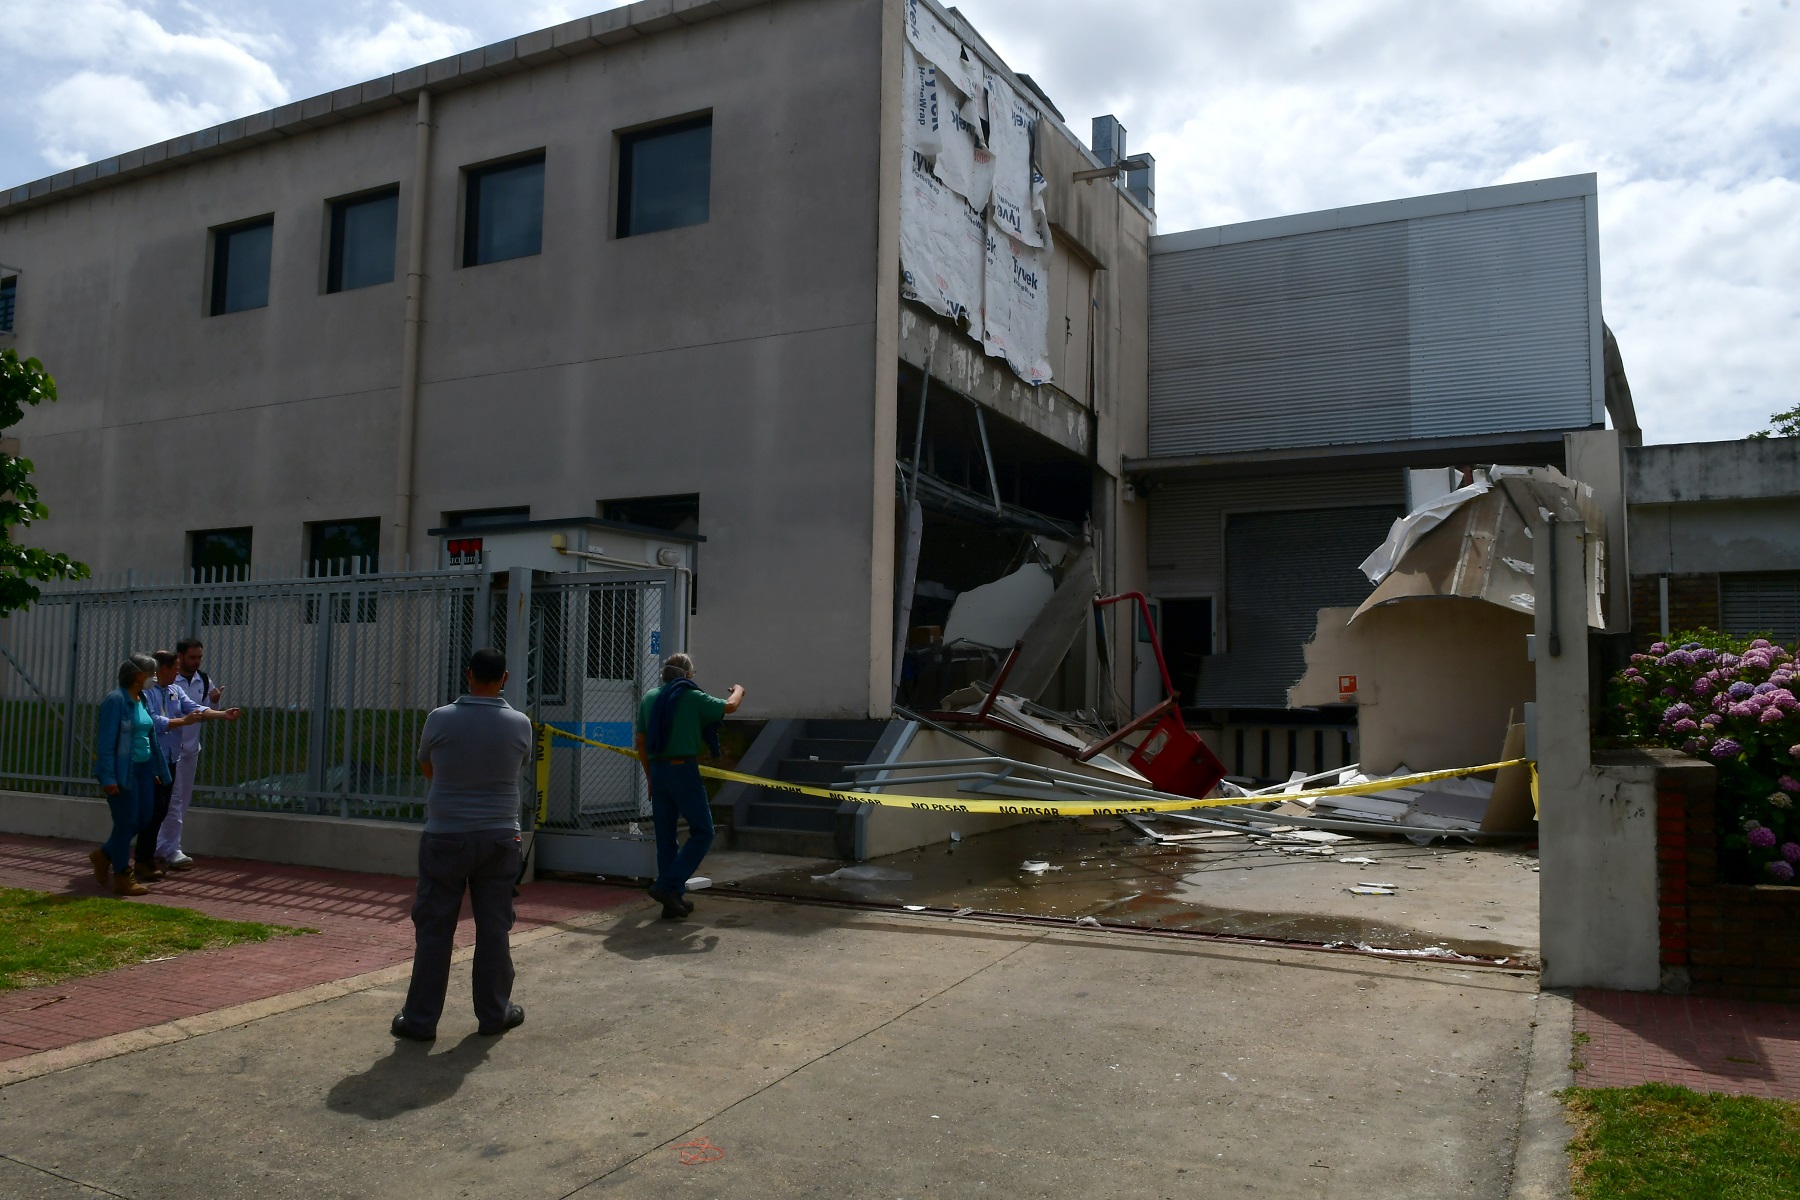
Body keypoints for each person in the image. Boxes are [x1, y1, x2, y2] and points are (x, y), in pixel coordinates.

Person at [392, 647, 535, 1042]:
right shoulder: (520, 724)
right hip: (501, 837)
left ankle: (420, 1021)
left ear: (468, 674)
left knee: (435, 929)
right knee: (494, 927)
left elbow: (427, 767)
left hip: (445, 836)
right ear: (505, 679)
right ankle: (494, 1012)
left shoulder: (440, 719)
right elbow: (515, 768)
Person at [634, 653, 744, 920]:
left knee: (666, 838)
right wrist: (739, 690)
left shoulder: (650, 698)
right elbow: (729, 707)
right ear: (686, 675)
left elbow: (640, 741)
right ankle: (667, 886)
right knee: (703, 831)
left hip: (658, 771)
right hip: (682, 769)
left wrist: (650, 777)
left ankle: (672, 901)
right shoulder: (691, 696)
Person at [141, 650, 241, 880]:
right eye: (174, 668)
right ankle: (127, 855)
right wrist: (182, 722)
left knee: (163, 808)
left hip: (172, 757)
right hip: (152, 759)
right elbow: (153, 721)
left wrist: (223, 714)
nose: (177, 672)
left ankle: (152, 854)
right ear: (161, 669)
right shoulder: (147, 694)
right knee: (152, 810)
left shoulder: (174, 691)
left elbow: (195, 708)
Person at [90, 655, 174, 896]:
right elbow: (106, 743)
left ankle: (104, 854)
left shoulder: (143, 698)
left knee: (145, 816)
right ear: (139, 675)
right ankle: (122, 875)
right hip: (123, 771)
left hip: (144, 769)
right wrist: (108, 777)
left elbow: (150, 736)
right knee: (126, 821)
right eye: (152, 673)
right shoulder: (116, 701)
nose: (154, 678)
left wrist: (155, 769)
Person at [159, 637, 223, 870]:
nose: (196, 662)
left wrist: (217, 705)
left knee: (181, 801)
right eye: (192, 657)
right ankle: (171, 848)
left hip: (190, 750)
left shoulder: (202, 680)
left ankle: (164, 844)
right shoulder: (167, 680)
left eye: (199, 657)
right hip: (169, 750)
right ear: (180, 656)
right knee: (173, 801)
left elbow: (203, 709)